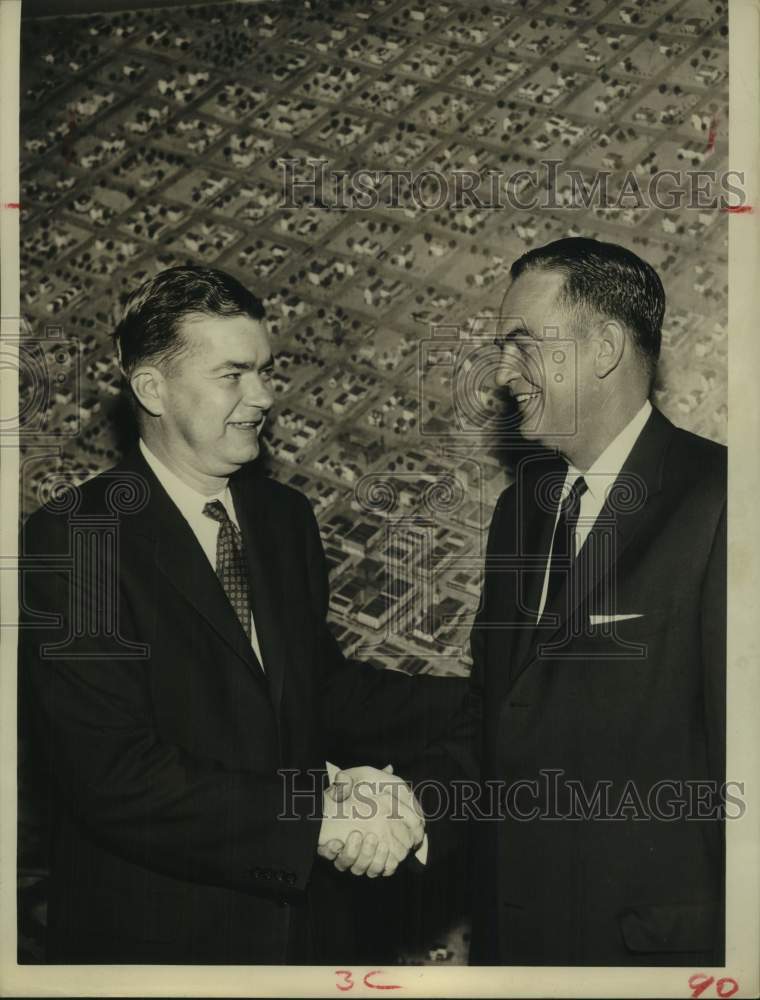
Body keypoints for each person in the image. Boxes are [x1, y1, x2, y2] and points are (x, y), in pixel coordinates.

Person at [18, 265, 462, 964]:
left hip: (301, 938)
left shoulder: (283, 518)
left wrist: (498, 701)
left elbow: (320, 690)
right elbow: (114, 776)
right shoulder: (75, 539)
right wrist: (312, 816)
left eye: (263, 371)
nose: (262, 396)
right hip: (157, 948)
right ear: (153, 389)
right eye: (234, 375)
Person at [341, 237, 726, 965]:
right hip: (518, 952)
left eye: (521, 344)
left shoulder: (725, 502)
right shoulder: (523, 510)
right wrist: (410, 806)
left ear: (606, 345)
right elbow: (495, 722)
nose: (503, 372)